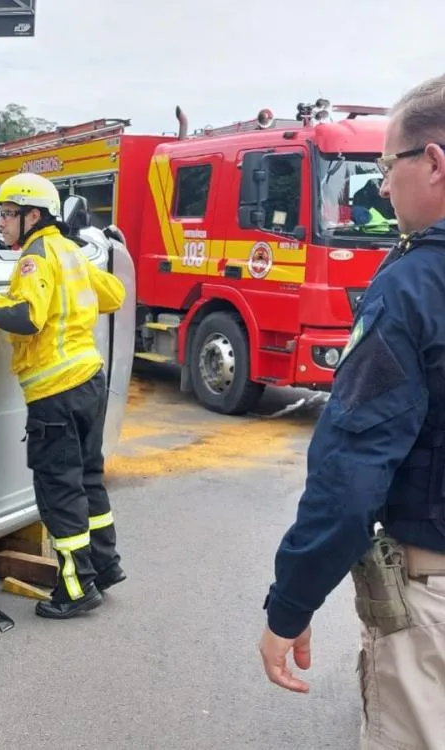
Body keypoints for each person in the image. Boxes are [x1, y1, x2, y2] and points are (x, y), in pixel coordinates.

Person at [259, 72, 445, 749]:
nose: (382, 188)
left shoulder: (414, 286)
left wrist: (291, 603)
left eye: (386, 167)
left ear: (433, 163)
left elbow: (351, 473)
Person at [0, 172, 128, 619]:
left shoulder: (33, 257)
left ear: (33, 216)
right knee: (88, 479)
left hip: (55, 392)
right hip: (89, 382)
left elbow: (26, 317)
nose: (1, 222)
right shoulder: (67, 250)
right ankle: (104, 566)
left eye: (8, 214)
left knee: (59, 491)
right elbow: (114, 294)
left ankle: (76, 588)